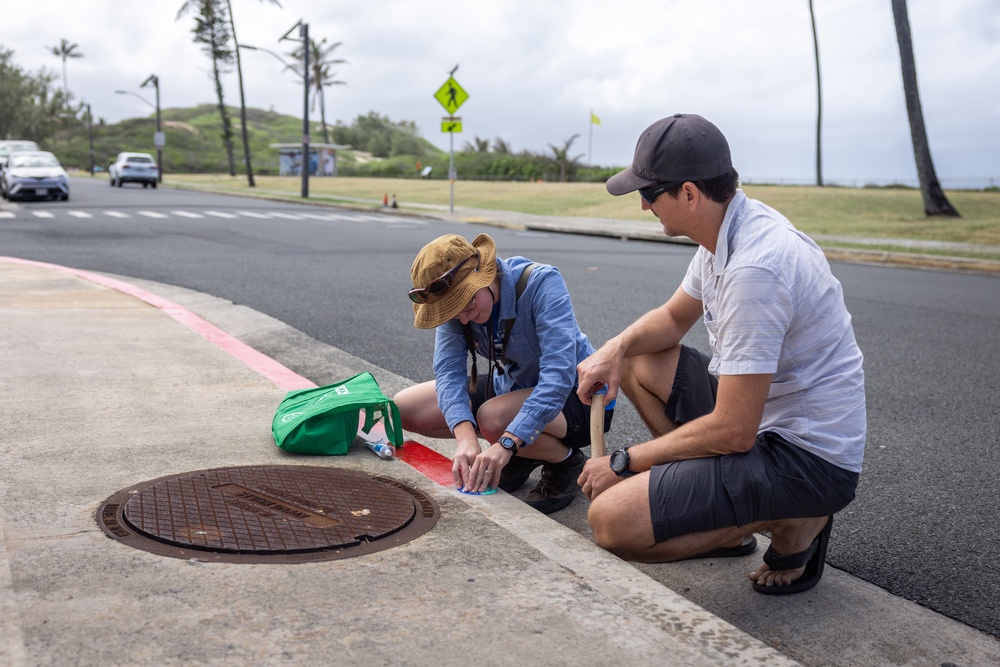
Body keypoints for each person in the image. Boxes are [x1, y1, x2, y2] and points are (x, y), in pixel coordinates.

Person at [576, 113, 866, 595]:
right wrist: (615, 349)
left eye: (649, 194)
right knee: (639, 360)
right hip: (762, 423)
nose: (644, 207)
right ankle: (718, 509)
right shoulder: (723, 233)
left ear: (689, 193)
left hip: (808, 458)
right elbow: (671, 319)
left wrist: (626, 463)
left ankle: (799, 521)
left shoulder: (757, 270)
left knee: (610, 520)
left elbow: (733, 430)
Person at [395, 233, 613, 513]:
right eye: (453, 313)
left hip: (576, 397)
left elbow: (557, 374)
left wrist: (507, 443)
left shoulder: (541, 283)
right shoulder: (458, 310)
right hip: (511, 390)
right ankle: (524, 453)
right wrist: (465, 439)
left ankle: (566, 462)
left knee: (492, 418)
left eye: (468, 304)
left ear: (484, 276)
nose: (463, 318)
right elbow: (448, 371)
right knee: (405, 407)